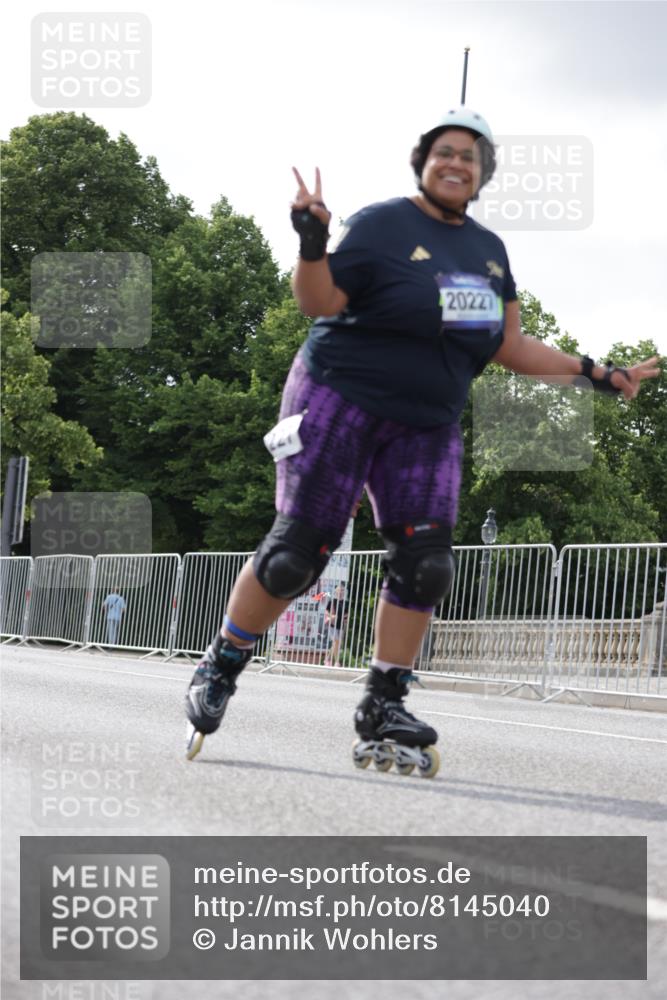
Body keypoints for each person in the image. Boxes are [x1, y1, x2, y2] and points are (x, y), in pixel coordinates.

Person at [185, 107, 660, 774]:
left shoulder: (488, 254)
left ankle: (384, 701)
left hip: (427, 420)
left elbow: (509, 345)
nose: (456, 163)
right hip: (338, 396)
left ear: (482, 173)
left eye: (470, 155)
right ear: (423, 161)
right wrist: (312, 244)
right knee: (297, 554)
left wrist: (597, 374)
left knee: (426, 563)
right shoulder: (382, 225)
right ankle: (223, 662)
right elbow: (319, 302)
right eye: (445, 152)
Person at [324, 583, 349, 666]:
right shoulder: (332, 601)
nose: (341, 592)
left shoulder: (345, 603)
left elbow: (346, 614)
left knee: (337, 643)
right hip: (332, 625)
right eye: (339, 590)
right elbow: (326, 612)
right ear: (336, 591)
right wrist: (331, 616)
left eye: (342, 590)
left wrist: (346, 618)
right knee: (336, 641)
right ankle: (336, 662)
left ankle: (327, 659)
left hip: (341, 625)